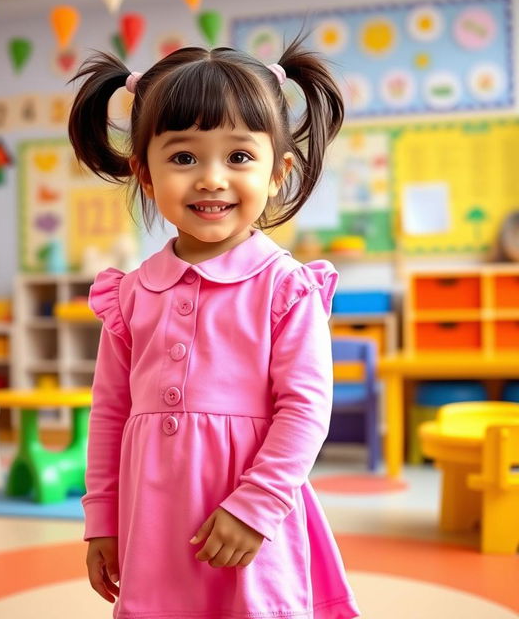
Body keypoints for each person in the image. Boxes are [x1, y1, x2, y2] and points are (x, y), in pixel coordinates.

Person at [68, 35, 360, 618]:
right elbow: (108, 412)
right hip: (153, 519)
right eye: (183, 157)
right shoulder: (131, 295)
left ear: (279, 172)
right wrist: (101, 518)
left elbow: (305, 409)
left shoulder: (286, 287)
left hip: (251, 516)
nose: (210, 178)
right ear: (145, 175)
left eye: (239, 156)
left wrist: (257, 505)